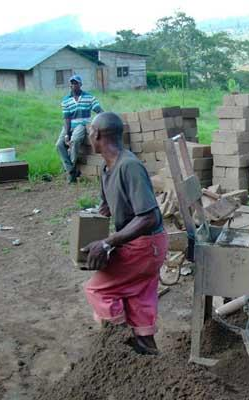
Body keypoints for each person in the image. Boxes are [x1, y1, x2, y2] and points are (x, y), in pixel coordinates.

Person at [82, 112, 168, 355]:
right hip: (140, 244)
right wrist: (90, 221)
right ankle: (146, 350)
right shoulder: (107, 168)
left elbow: (149, 216)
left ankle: (118, 342)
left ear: (97, 135)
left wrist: (108, 243)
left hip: (146, 244)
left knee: (98, 289)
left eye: (90, 131)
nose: (89, 135)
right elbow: (107, 207)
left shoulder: (129, 166)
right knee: (138, 295)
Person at [56, 74, 103, 183]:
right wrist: (67, 134)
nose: (74, 85)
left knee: (75, 141)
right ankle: (71, 170)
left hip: (82, 124)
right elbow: (67, 119)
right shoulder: (66, 100)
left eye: (76, 83)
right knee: (59, 144)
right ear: (70, 86)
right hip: (69, 125)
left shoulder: (89, 97)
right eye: (72, 83)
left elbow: (99, 110)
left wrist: (106, 118)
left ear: (80, 84)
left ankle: (71, 171)